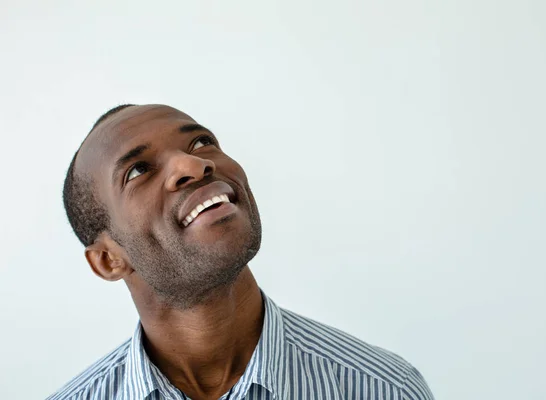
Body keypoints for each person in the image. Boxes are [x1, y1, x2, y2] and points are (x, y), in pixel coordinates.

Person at [48, 104, 434, 400]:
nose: (194, 165)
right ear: (109, 260)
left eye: (201, 142)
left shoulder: (383, 388)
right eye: (137, 170)